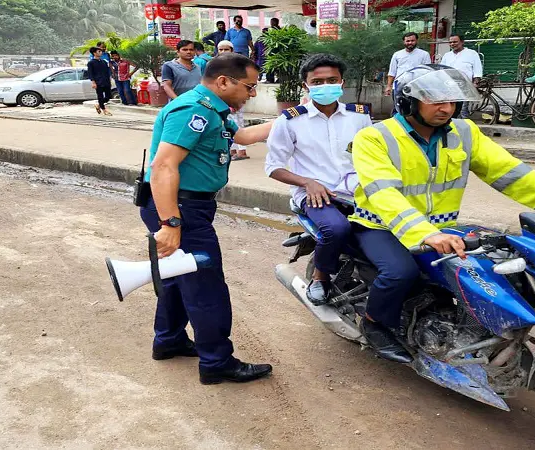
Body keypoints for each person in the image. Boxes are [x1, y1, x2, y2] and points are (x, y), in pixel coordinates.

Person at [350, 64, 535, 363]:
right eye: (435, 100)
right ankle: (373, 324)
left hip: (441, 228)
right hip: (381, 226)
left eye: (451, 101)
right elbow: (384, 194)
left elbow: (511, 174)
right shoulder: (375, 137)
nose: (446, 108)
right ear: (408, 101)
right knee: (401, 272)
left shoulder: (465, 132)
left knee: (495, 269)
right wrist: (427, 234)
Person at [141, 53, 275, 385]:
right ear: (223, 82)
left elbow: (242, 138)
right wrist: (171, 224)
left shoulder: (215, 109)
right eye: (249, 86)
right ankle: (216, 362)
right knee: (206, 285)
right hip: (180, 208)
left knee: (176, 276)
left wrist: (294, 118)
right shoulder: (193, 110)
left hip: (187, 206)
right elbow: (163, 167)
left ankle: (169, 341)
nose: (252, 94)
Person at [265, 54, 372, 305]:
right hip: (314, 193)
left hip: (358, 191)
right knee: (337, 229)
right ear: (306, 85)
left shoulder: (359, 116)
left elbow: (373, 155)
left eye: (332, 80)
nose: (325, 86)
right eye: (318, 81)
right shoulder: (291, 120)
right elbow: (273, 167)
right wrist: (306, 182)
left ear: (342, 82)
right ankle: (320, 276)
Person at [216, 41, 249, 161]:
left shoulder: (239, 66)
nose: (224, 52)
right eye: (221, 50)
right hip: (222, 101)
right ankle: (233, 150)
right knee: (227, 125)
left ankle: (242, 151)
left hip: (236, 100)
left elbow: (246, 84)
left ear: (232, 50)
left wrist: (239, 101)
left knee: (238, 125)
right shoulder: (216, 65)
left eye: (226, 49)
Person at [440, 34, 483, 119]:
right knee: (451, 108)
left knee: (463, 109)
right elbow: (442, 70)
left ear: (462, 42)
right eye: (450, 42)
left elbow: (477, 69)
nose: (452, 44)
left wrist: (476, 82)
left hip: (465, 85)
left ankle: (464, 127)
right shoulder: (447, 55)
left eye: (455, 42)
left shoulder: (472, 53)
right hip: (450, 86)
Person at [385, 32, 431, 97]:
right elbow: (392, 72)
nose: (410, 43)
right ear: (404, 42)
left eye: (412, 41)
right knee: (398, 106)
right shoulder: (397, 54)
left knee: (415, 107)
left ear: (416, 41)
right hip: (399, 86)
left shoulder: (424, 54)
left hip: (417, 87)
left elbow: (427, 72)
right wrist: (389, 86)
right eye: (408, 41)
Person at [87, 47, 112, 115]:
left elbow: (107, 72)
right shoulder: (91, 63)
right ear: (94, 53)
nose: (101, 52)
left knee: (108, 96)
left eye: (101, 51)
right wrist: (93, 82)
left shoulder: (103, 61)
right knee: (100, 96)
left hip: (106, 81)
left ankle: (98, 105)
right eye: (99, 51)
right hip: (98, 82)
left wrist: (109, 79)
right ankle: (104, 110)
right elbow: (90, 73)